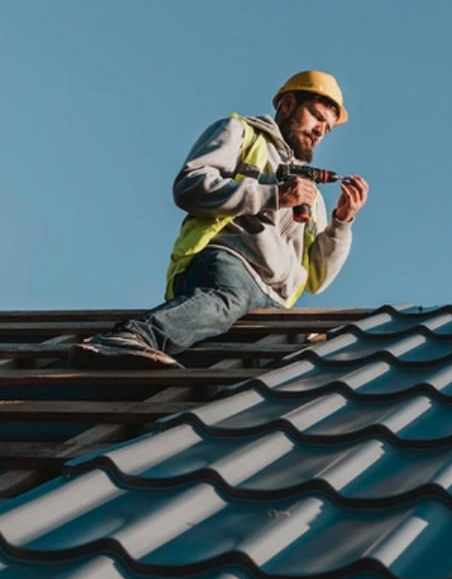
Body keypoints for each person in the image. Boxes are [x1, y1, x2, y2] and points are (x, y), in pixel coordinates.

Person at [69, 70, 369, 369]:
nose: (320, 130)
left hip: (274, 300)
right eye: (316, 117)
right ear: (287, 105)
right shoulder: (241, 133)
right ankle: (132, 337)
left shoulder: (311, 195)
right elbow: (190, 187)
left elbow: (317, 279)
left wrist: (342, 222)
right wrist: (273, 196)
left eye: (327, 128)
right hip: (231, 265)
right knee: (228, 297)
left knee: (295, 351)